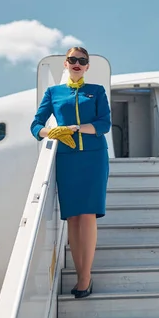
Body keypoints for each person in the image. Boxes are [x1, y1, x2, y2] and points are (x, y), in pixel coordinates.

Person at [30, 47, 111, 299]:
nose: (77, 64)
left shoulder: (96, 91)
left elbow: (104, 124)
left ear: (87, 66)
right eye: (73, 60)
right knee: (74, 218)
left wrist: (76, 128)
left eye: (82, 61)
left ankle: (84, 278)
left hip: (93, 157)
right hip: (67, 159)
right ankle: (81, 275)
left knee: (87, 216)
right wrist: (50, 132)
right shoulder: (53, 93)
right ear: (65, 64)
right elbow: (35, 125)